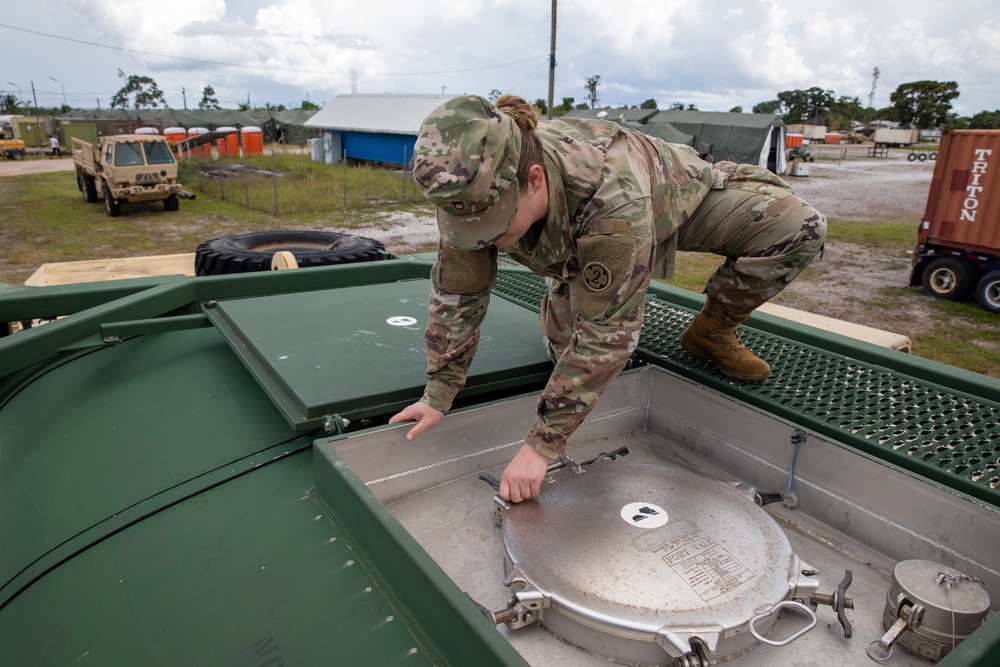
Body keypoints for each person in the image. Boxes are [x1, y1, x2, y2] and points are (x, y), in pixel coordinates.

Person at [389, 94, 826, 503]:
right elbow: (457, 293)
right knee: (565, 352)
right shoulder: (473, 188)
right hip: (583, 237)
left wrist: (541, 446)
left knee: (797, 226)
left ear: (534, 181)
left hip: (672, 198)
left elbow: (608, 337)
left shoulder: (611, 200)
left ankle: (713, 330)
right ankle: (571, 277)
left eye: (496, 224)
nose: (485, 240)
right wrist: (439, 391)